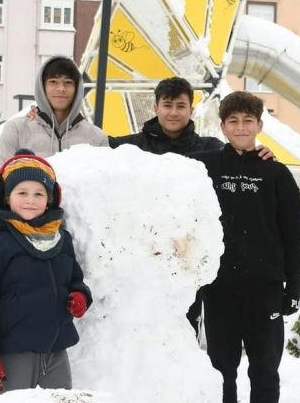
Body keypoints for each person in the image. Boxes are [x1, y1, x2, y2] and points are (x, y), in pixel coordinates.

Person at [190, 91, 300, 403]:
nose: (241, 128)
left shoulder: (277, 174)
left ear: (260, 125)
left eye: (248, 121)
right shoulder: (205, 167)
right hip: (219, 288)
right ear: (221, 127)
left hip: (265, 289)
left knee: (265, 370)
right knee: (221, 367)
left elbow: (293, 234)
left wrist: (294, 284)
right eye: (233, 121)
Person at [110, 76, 275, 332]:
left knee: (184, 332)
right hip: (142, 254)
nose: (173, 112)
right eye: (167, 105)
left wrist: (260, 155)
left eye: (180, 105)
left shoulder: (209, 148)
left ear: (191, 109)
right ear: (156, 108)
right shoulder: (130, 146)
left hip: (187, 256)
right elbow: (85, 154)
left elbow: (237, 156)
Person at [0, 148, 93, 403]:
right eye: (22, 193)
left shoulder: (59, 238)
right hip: (13, 352)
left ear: (50, 198)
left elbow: (74, 278)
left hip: (55, 351)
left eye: (39, 193)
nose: (30, 200)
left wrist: (80, 295)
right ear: (5, 196)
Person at [0, 57, 108, 168]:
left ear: (77, 89)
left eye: (68, 82)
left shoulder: (96, 137)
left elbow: (105, 183)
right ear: (42, 87)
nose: (61, 88)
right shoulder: (17, 130)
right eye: (53, 82)